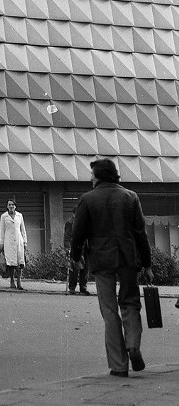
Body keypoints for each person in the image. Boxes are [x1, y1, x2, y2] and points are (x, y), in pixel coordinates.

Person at [70, 158, 153, 378]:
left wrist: (75, 257)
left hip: (102, 260)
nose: (90, 178)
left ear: (98, 176)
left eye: (92, 175)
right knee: (130, 303)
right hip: (128, 258)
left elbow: (78, 234)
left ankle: (118, 366)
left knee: (109, 311)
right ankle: (133, 344)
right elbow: (141, 234)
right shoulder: (131, 197)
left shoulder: (87, 199)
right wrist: (147, 264)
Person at [0, 198, 27, 290]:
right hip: (8, 242)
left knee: (19, 263)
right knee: (11, 263)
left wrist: (25, 241)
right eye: (9, 204)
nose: (11, 206)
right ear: (7, 206)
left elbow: (23, 230)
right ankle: (11, 281)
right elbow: (2, 231)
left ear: (15, 206)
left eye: (12, 205)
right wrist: (1, 243)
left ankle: (19, 281)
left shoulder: (20, 216)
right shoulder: (4, 216)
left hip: (19, 242)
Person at [64, 204, 90, 295]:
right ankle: (72, 287)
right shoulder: (70, 222)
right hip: (75, 247)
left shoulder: (85, 221)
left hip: (85, 248)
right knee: (74, 269)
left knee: (85, 269)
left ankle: (83, 287)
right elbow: (67, 237)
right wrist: (67, 248)